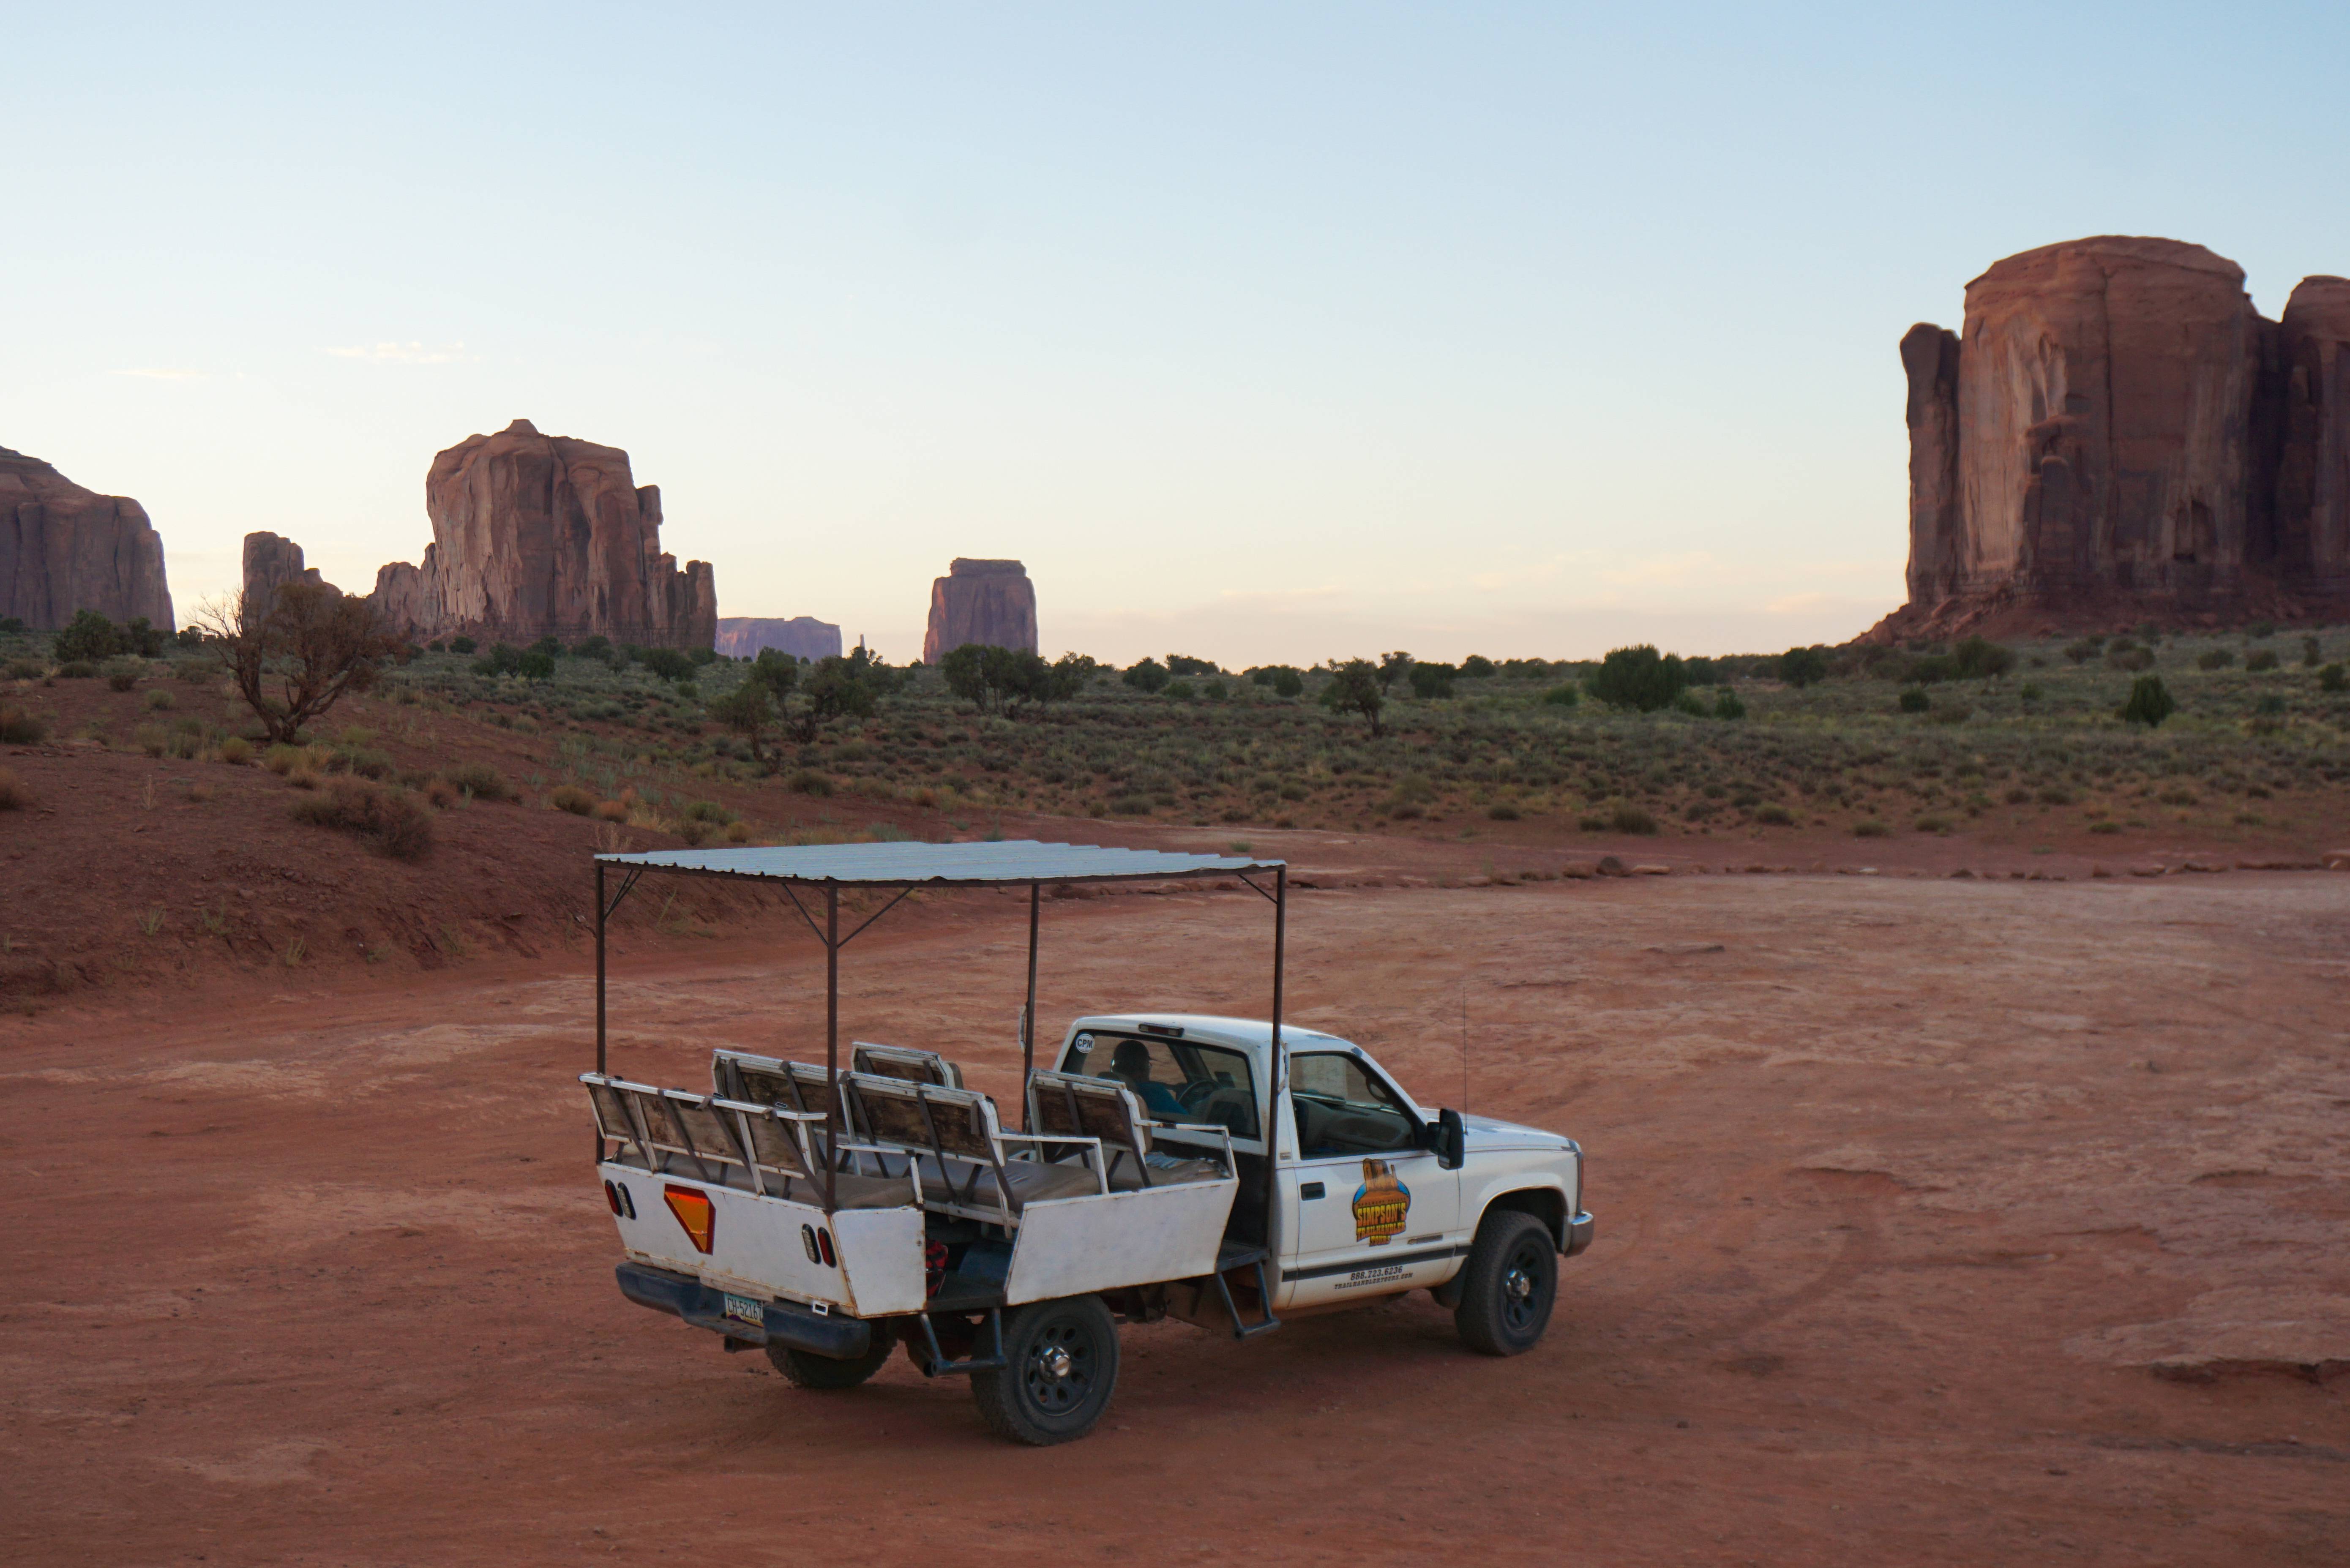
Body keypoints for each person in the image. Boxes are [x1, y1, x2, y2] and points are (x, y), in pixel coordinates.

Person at [1108, 1039, 1187, 1118]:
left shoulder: (1105, 1086)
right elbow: (1186, 1120)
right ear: (1143, 1069)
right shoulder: (1155, 1093)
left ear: (1115, 1068)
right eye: (1148, 1064)